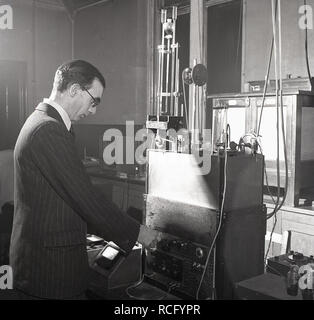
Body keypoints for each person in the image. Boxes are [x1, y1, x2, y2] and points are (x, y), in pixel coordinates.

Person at [9, 60, 159, 300]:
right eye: (94, 100)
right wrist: (140, 234)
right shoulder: (48, 130)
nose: (93, 110)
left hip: (41, 261)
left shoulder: (40, 121)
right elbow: (85, 196)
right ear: (75, 90)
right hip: (51, 269)